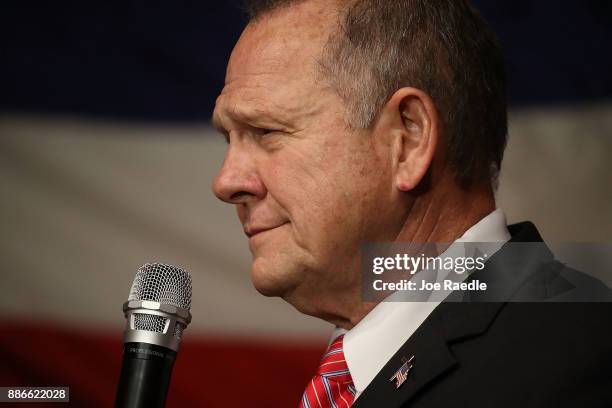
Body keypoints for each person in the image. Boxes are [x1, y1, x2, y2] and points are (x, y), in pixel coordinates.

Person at [211, 0, 612, 406]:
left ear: (408, 139)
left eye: (264, 131)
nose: (226, 182)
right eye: (230, 139)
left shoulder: (579, 358)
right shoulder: (352, 379)